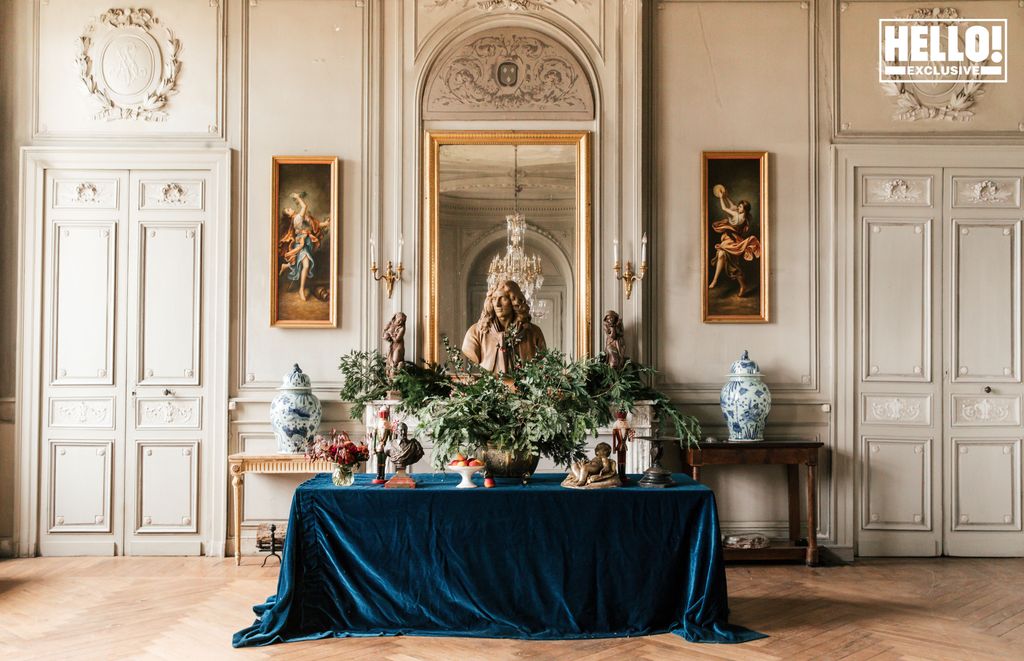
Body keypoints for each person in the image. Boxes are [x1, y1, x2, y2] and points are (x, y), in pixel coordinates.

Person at [461, 280, 546, 373]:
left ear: (514, 301)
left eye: (503, 298)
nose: (497, 304)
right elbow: (469, 350)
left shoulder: (533, 333)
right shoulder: (475, 332)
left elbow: (541, 353)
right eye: (494, 299)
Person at [708, 185, 762, 298]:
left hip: (733, 241)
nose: (738, 207)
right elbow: (732, 205)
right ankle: (715, 280)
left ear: (744, 210)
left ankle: (742, 285)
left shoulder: (739, 217)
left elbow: (725, 208)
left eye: (741, 207)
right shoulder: (742, 214)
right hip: (730, 239)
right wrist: (725, 196)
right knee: (722, 254)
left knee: (733, 265)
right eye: (739, 206)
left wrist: (721, 198)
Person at [278, 192, 328, 301]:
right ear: (289, 215)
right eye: (288, 210)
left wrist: (326, 224)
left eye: (289, 208)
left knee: (301, 264)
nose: (290, 208)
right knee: (305, 265)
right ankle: (301, 289)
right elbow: (304, 206)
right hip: (302, 243)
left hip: (307, 243)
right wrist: (298, 197)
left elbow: (314, 224)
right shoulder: (296, 219)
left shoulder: (301, 217)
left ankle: (286, 266)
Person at [382, 312, 406, 378]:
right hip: (391, 346)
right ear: (396, 318)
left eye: (402, 321)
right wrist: (386, 336)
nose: (400, 322)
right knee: (389, 363)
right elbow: (384, 332)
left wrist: (390, 334)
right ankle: (390, 381)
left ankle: (395, 381)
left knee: (395, 364)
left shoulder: (402, 328)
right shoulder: (390, 323)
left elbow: (397, 340)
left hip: (398, 346)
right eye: (399, 319)